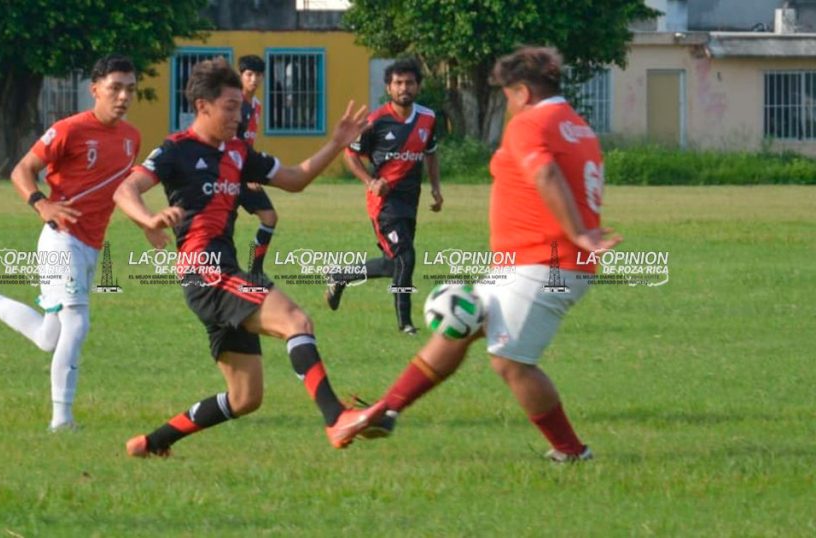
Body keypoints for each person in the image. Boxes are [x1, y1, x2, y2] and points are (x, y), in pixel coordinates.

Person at [331, 46, 623, 462]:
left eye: (507, 94)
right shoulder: (577, 126)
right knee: (460, 323)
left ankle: (571, 451)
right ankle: (387, 409)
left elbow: (545, 173)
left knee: (510, 362)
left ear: (523, 92)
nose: (508, 104)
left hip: (544, 262)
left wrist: (577, 233)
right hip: (526, 262)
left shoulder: (530, 123)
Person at [112, 58, 373, 458]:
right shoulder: (176, 149)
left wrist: (337, 143)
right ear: (203, 106)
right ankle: (336, 418)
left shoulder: (237, 151)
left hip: (222, 271)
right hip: (205, 271)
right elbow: (125, 190)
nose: (239, 115)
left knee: (245, 397)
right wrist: (148, 219)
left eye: (241, 107)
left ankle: (151, 443)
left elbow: (295, 179)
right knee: (296, 321)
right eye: (231, 107)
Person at [0, 54, 143, 432]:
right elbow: (21, 170)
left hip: (90, 245)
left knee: (48, 338)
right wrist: (41, 203)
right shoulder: (69, 129)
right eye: (115, 88)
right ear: (95, 89)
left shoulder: (132, 138)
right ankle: (61, 421)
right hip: (61, 241)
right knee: (77, 324)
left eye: (130, 89)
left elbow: (121, 190)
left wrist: (146, 222)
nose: (123, 96)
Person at [327, 58, 443, 336]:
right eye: (398, 83)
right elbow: (350, 155)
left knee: (393, 264)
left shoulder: (427, 118)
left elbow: (431, 153)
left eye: (410, 83)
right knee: (406, 257)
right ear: (388, 88)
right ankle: (406, 325)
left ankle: (340, 276)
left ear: (418, 86)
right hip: (383, 204)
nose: (404, 88)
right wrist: (371, 182)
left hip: (410, 202)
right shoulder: (375, 121)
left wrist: (436, 188)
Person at [235, 55, 279, 275]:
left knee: (269, 217)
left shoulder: (257, 106)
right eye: (249, 74)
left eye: (258, 75)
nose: (254, 79)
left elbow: (247, 144)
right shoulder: (234, 105)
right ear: (240, 76)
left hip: (245, 172)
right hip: (228, 175)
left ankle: (255, 270)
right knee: (220, 227)